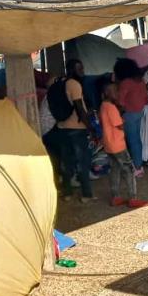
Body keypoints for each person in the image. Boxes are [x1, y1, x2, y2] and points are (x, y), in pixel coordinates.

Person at [100, 83, 148, 208]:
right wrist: (123, 119)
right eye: (114, 92)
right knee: (129, 170)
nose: (117, 94)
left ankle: (116, 197)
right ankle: (133, 198)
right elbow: (120, 125)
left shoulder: (103, 105)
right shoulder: (111, 107)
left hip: (109, 144)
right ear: (107, 93)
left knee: (115, 170)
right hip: (118, 145)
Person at [58, 59, 94, 202]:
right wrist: (90, 127)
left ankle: (67, 193)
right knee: (82, 163)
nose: (82, 71)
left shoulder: (59, 83)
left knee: (67, 162)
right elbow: (79, 108)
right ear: (72, 70)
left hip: (62, 127)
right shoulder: (74, 84)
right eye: (79, 69)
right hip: (77, 128)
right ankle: (86, 194)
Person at [114, 58, 148, 176]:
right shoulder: (140, 80)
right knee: (138, 141)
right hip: (141, 113)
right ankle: (139, 166)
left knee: (132, 142)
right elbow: (145, 98)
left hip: (129, 115)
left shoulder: (125, 83)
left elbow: (121, 102)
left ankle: (137, 168)